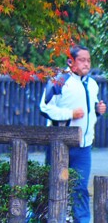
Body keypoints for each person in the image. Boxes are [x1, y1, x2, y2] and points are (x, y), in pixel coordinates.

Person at [40, 45, 106, 223]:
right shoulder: (58, 80)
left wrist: (98, 110)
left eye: (88, 60)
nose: (86, 64)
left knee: (80, 188)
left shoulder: (92, 84)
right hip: (60, 145)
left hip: (83, 147)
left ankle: (82, 221)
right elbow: (44, 108)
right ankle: (42, 219)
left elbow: (89, 111)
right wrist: (69, 114)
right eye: (82, 60)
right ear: (71, 61)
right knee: (52, 185)